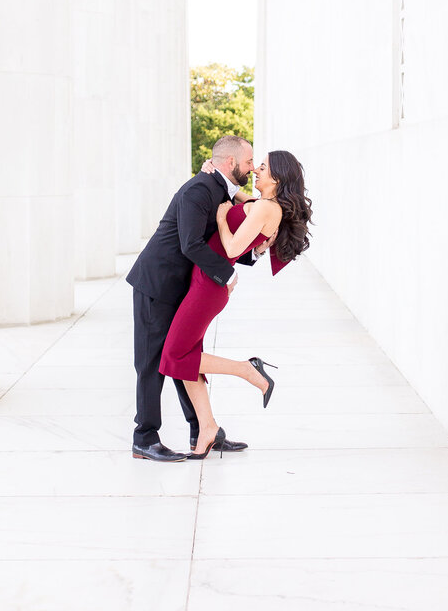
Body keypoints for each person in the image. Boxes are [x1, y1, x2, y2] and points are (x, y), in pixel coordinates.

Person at [160, 150, 314, 458]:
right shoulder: (263, 205)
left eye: (263, 166)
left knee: (174, 356)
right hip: (204, 281)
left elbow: (231, 246)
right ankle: (207, 428)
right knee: (188, 357)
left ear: (278, 177)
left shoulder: (267, 209)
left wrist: (219, 218)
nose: (256, 169)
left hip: (208, 285)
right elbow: (240, 199)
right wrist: (214, 173)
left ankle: (247, 370)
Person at [126, 135, 258, 462]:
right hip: (156, 285)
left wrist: (251, 254)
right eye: (248, 162)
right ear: (230, 164)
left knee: (183, 359)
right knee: (152, 364)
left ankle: (202, 429)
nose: (252, 168)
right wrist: (226, 276)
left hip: (180, 287)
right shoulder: (200, 191)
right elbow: (191, 244)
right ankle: (144, 437)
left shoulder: (217, 188)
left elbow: (218, 239)